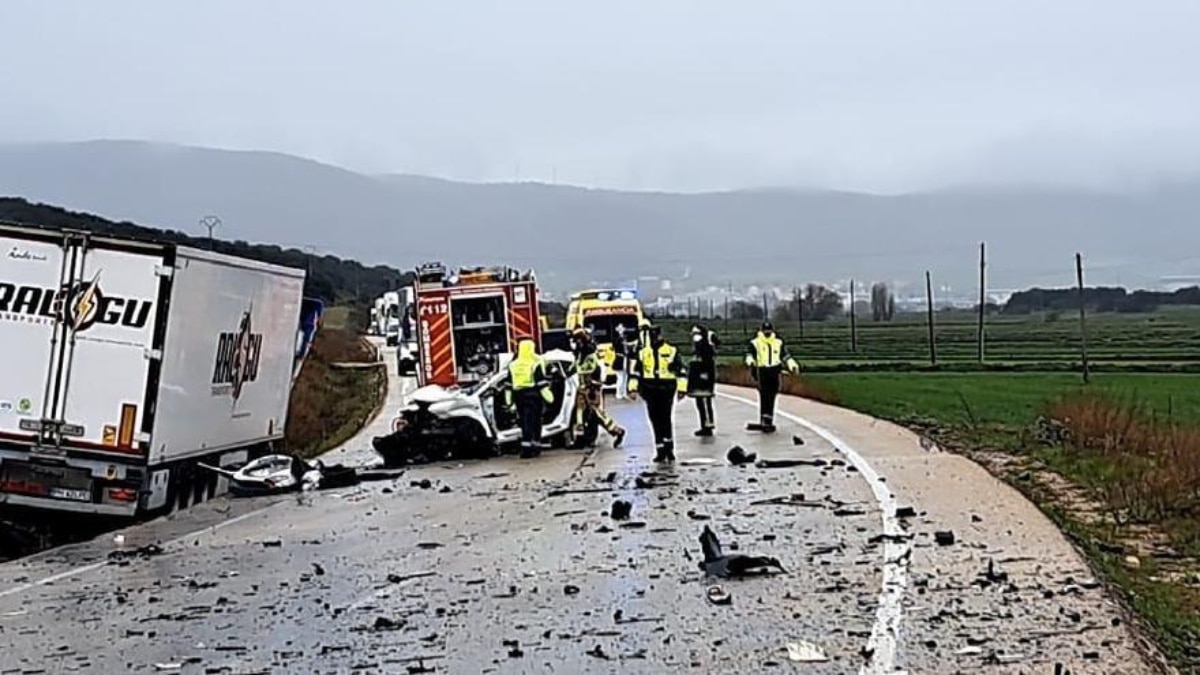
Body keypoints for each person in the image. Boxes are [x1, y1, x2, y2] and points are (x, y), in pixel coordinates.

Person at [628, 324, 688, 462]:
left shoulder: (671, 351)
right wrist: (632, 388)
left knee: (665, 419)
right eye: (652, 336)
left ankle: (669, 449)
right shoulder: (644, 353)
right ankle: (660, 449)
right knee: (654, 419)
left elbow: (681, 371)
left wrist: (682, 389)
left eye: (656, 336)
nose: (655, 339)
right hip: (650, 388)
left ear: (661, 336)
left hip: (666, 388)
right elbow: (636, 372)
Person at [570, 329, 626, 449]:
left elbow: (591, 372)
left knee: (595, 414)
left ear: (581, 340)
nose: (575, 343)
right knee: (584, 414)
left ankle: (617, 431)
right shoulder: (581, 353)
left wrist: (591, 388)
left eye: (576, 340)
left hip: (590, 390)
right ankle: (583, 438)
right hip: (583, 389)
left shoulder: (589, 355)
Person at [744, 320, 798, 433]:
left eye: (769, 331)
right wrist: (750, 362)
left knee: (772, 395)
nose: (767, 333)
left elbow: (785, 356)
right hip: (762, 370)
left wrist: (792, 365)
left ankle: (769, 419)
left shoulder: (778, 342)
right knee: (764, 395)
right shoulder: (755, 342)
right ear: (762, 331)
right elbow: (750, 355)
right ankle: (764, 419)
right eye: (765, 331)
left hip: (774, 370)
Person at [506, 339, 554, 458]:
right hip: (533, 396)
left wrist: (508, 400)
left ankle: (527, 447)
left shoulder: (513, 365)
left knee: (524, 421)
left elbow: (508, 384)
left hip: (519, 396)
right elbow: (541, 382)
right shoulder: (534, 364)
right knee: (535, 421)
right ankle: (534, 446)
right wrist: (549, 397)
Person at [687, 324, 720, 436]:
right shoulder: (699, 345)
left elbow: (707, 362)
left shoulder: (705, 346)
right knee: (700, 401)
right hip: (699, 375)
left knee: (705, 400)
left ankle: (707, 425)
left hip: (704, 376)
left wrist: (704, 374)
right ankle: (704, 424)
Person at [612, 324, 630, 400]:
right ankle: (618, 393)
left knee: (625, 378)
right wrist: (621, 338)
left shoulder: (624, 338)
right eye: (620, 329)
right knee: (620, 378)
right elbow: (616, 344)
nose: (622, 330)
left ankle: (624, 392)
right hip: (619, 359)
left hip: (625, 359)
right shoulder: (616, 339)